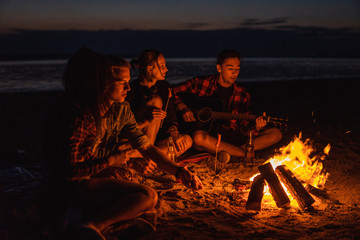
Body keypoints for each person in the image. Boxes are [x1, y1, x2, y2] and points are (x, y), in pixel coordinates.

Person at [43, 47, 203, 240]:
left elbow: (145, 146)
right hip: (76, 182)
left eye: (129, 82)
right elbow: (69, 170)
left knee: (133, 184)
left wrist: (179, 171)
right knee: (147, 196)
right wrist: (114, 161)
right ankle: (93, 226)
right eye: (122, 83)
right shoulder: (83, 114)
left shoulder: (121, 109)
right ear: (102, 83)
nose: (129, 88)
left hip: (93, 171)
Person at [172, 49, 282, 159]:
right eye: (230, 68)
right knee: (198, 137)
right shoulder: (201, 83)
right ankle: (243, 153)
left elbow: (245, 128)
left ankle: (235, 151)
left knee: (276, 133)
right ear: (219, 68)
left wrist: (257, 127)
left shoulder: (242, 94)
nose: (234, 73)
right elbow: (171, 92)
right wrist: (183, 108)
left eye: (237, 69)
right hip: (209, 137)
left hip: (231, 138)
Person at [126, 49, 192, 159]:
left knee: (187, 140)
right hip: (139, 140)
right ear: (149, 69)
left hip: (158, 141)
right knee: (156, 100)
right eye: (162, 66)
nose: (166, 69)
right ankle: (150, 155)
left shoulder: (164, 87)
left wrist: (173, 130)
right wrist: (147, 119)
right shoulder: (132, 90)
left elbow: (170, 115)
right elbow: (127, 124)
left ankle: (148, 157)